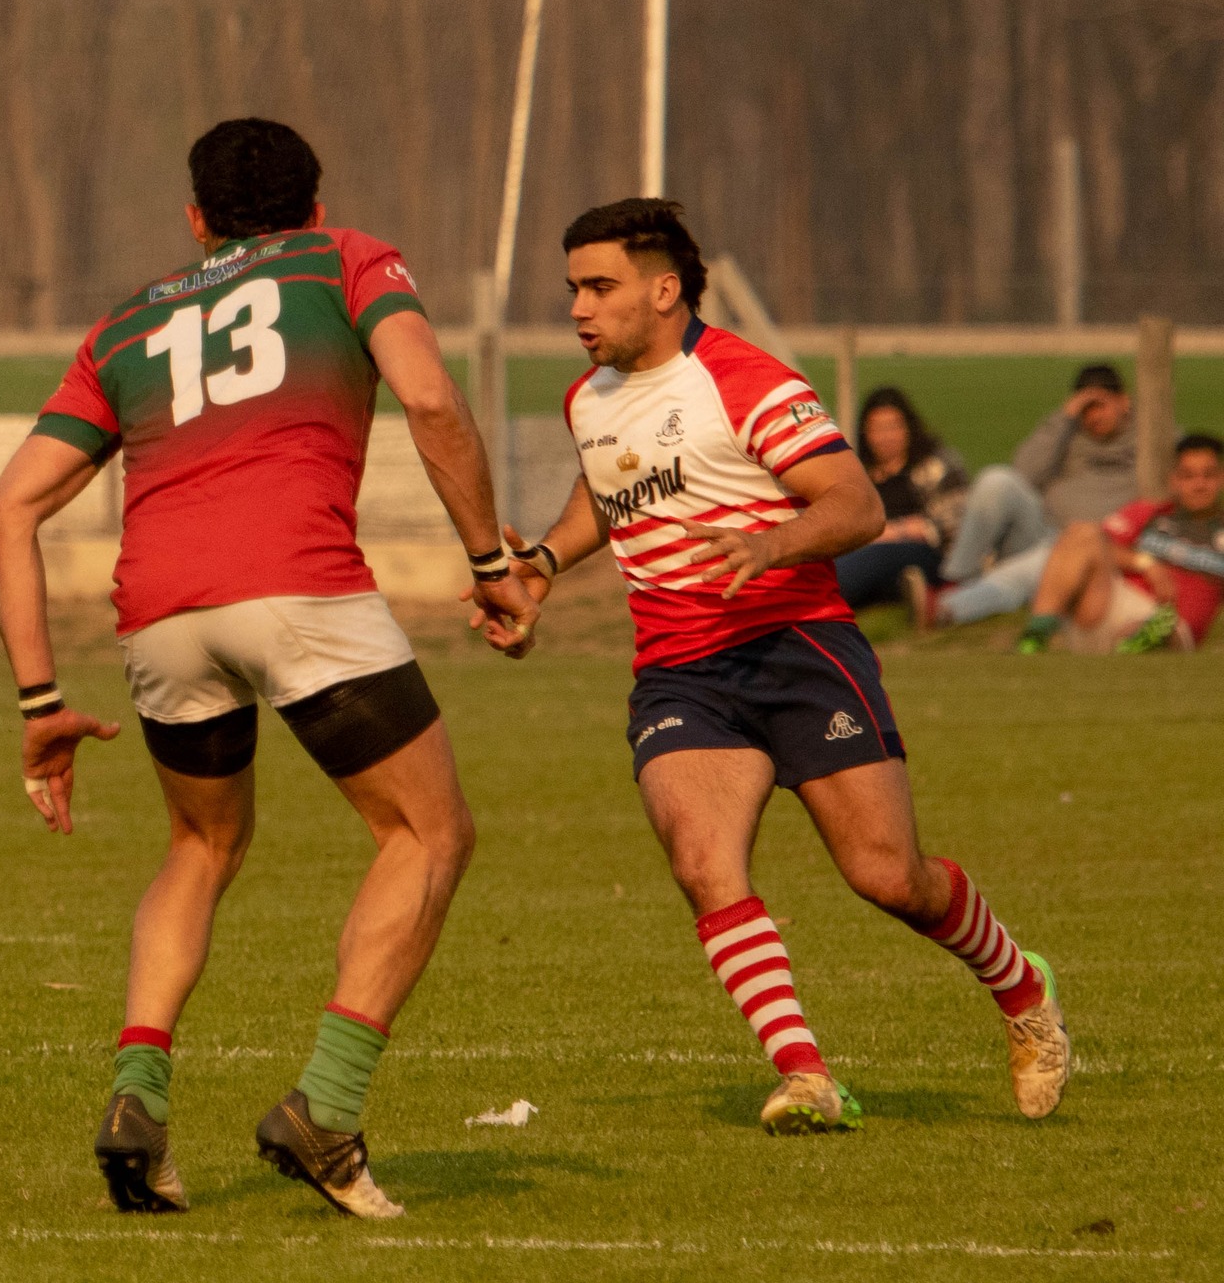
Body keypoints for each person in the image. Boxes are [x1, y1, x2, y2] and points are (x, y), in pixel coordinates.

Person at [0, 119, 535, 1219]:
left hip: (158, 617)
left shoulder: (126, 322)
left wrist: (40, 700)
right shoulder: (347, 259)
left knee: (200, 842)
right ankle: (325, 1106)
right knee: (428, 832)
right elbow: (428, 399)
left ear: (194, 220)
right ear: (316, 203)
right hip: (298, 590)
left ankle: (137, 1090)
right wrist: (488, 559)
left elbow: (6, 512)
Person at [485, 198, 1070, 1135]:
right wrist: (544, 566)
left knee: (889, 878)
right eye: (572, 290)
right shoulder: (586, 398)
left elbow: (858, 504)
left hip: (796, 648)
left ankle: (1021, 986)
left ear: (664, 289)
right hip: (679, 670)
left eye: (600, 287)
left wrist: (776, 542)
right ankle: (806, 1075)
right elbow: (610, 485)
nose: (578, 309)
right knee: (702, 862)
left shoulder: (746, 380)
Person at [927, 363, 1145, 628]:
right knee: (996, 480)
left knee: (1033, 567)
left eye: (1100, 405)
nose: (1094, 416)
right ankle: (955, 579)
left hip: (1096, 547)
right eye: (1086, 409)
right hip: (1044, 530)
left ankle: (946, 608)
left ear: (1124, 401)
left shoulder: (1147, 443)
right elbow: (1023, 472)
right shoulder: (1067, 433)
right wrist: (1064, 418)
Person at [1016, 433, 1224, 654]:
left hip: (1175, 626)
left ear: (1221, 478)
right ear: (1174, 480)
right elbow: (1099, 546)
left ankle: (1141, 639)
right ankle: (1035, 636)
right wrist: (1145, 562)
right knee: (1082, 532)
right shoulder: (1151, 513)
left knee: (1166, 626)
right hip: (1113, 607)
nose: (1199, 484)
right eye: (1188, 476)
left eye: (1208, 475)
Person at [832, 386, 965, 611]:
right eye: (877, 429)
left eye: (893, 427)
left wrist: (894, 531)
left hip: (921, 553)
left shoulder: (935, 466)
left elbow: (953, 522)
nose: (886, 437)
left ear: (908, 428)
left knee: (876, 557)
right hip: (865, 550)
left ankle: (823, 600)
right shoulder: (858, 474)